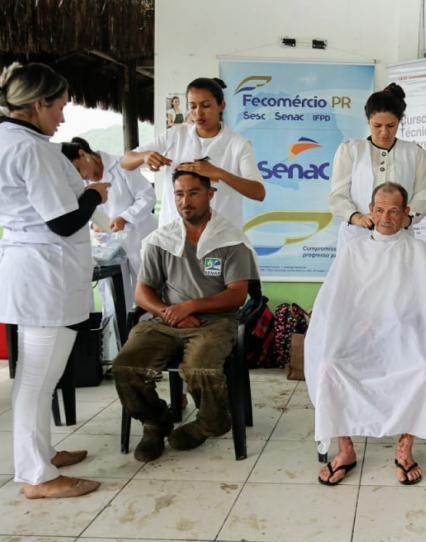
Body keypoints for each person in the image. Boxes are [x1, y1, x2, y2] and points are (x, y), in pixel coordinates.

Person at [0, 62, 109, 499]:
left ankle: (40, 454)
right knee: (36, 380)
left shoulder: (14, 140)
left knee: (37, 375)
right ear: (37, 103)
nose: (63, 117)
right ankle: (37, 476)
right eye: (59, 107)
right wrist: (93, 194)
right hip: (43, 275)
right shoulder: (31, 150)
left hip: (35, 269)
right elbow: (64, 222)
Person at [306, 182, 426, 486]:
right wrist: (355, 329)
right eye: (379, 209)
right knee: (329, 364)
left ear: (405, 214)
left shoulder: (418, 251)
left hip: (405, 337)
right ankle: (345, 449)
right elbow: (335, 303)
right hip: (357, 336)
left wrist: (398, 326)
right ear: (371, 212)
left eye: (393, 211)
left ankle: (405, 448)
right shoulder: (354, 249)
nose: (386, 216)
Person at [111, 170, 259, 462]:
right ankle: (155, 422)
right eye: (179, 194)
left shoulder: (230, 240)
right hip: (166, 320)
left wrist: (190, 307)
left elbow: (236, 295)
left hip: (216, 322)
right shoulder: (161, 240)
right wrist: (170, 313)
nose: (185, 201)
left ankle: (211, 422)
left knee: (201, 368)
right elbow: (142, 294)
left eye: (193, 192)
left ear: (210, 194)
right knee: (126, 366)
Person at [121, 77, 266, 228]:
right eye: (193, 106)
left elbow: (258, 192)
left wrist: (219, 173)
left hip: (219, 238)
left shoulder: (238, 144)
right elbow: (126, 161)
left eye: (206, 105)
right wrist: (144, 156)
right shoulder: (176, 135)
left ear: (222, 105)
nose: (198, 112)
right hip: (174, 235)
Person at [328, 83, 426, 254]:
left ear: (399, 122)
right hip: (357, 236)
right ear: (368, 120)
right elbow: (337, 196)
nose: (384, 132)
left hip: (399, 238)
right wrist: (356, 217)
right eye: (377, 126)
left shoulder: (415, 153)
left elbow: (423, 196)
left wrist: (406, 219)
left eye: (391, 126)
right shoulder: (350, 149)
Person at [61, 136, 157, 308]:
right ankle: (120, 332)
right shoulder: (81, 182)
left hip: (139, 237)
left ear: (83, 154)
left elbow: (147, 196)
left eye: (77, 168)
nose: (80, 176)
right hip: (110, 245)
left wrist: (125, 217)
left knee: (148, 291)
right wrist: (94, 225)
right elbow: (85, 212)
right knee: (116, 299)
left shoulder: (121, 165)